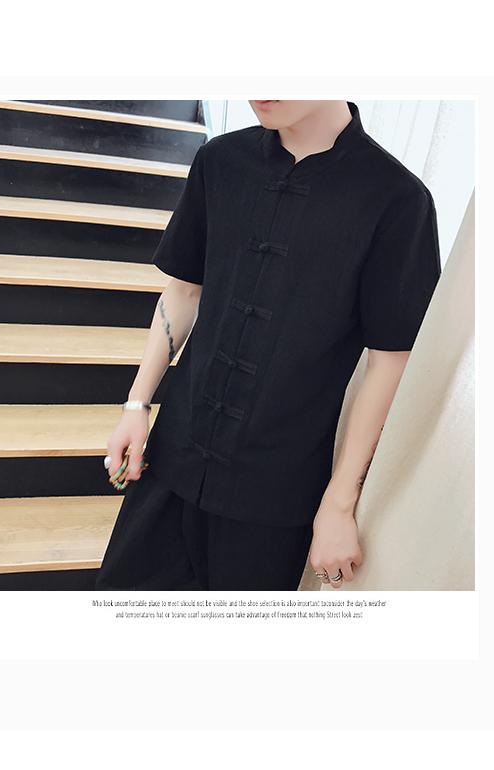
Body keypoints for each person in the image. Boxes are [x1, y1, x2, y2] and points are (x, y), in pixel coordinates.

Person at [94, 100, 441, 591]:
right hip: (172, 457)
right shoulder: (220, 160)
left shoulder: (397, 199)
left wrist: (340, 500)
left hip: (275, 495)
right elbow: (184, 290)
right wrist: (136, 404)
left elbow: (391, 358)